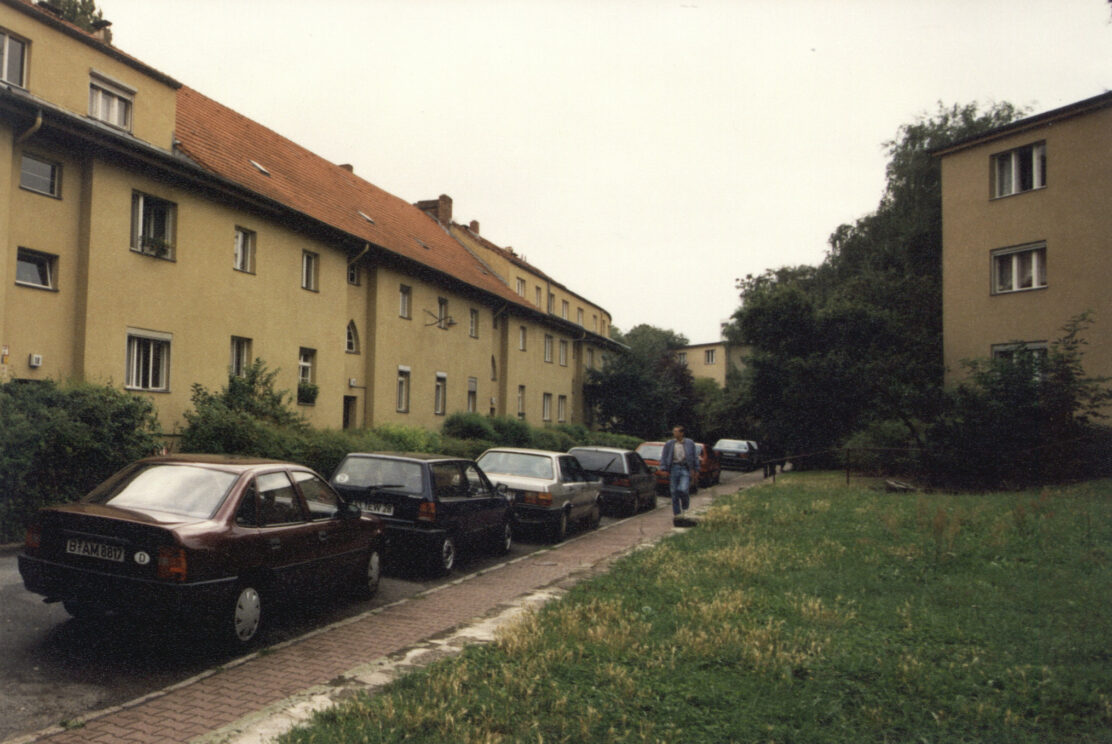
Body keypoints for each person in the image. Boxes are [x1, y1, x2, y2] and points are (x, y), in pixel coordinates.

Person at [659, 425, 698, 525]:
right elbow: (664, 456)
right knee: (674, 492)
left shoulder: (689, 443)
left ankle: (685, 506)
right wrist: (663, 468)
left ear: (681, 433)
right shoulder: (669, 443)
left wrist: (696, 469)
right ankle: (677, 515)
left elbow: (694, 456)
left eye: (676, 432)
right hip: (674, 468)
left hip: (685, 468)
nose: (674, 433)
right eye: (674, 431)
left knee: (683, 489)